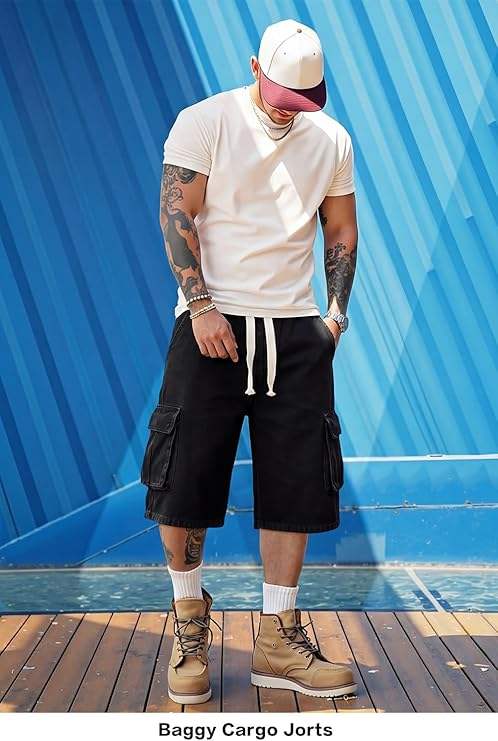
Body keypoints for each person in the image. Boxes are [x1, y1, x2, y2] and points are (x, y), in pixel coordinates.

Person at [140, 18, 358, 705]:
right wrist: (201, 304)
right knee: (182, 477)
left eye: (302, 101)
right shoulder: (204, 123)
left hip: (295, 330)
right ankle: (189, 628)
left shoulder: (331, 139)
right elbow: (176, 214)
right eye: (280, 96)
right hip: (211, 321)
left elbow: (340, 227)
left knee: (298, 483)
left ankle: (277, 640)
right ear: (254, 67)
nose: (289, 111)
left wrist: (335, 316)